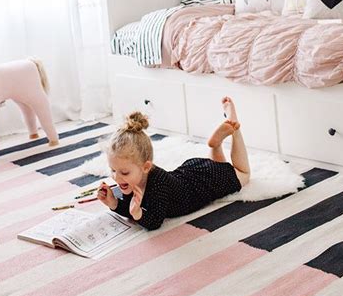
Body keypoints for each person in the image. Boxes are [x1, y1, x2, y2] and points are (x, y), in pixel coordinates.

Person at [97, 97, 251, 230]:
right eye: (113, 170)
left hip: (206, 181)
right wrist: (113, 203)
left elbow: (154, 222)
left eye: (124, 173)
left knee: (243, 173)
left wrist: (138, 214)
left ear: (146, 167)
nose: (117, 178)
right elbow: (131, 207)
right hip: (194, 172)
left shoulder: (158, 185)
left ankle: (235, 129)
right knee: (217, 167)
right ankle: (215, 145)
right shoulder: (132, 179)